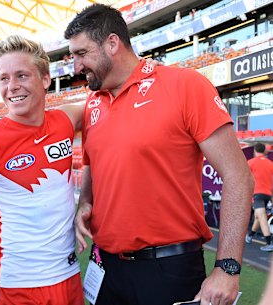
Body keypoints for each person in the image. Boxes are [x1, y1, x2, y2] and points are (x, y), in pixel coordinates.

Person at [64, 4, 254, 305]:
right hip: (105, 267)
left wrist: (228, 268)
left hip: (168, 270)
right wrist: (85, 202)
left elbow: (238, 176)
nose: (76, 67)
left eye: (81, 54)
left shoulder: (185, 85)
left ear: (112, 43)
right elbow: (93, 163)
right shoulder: (93, 103)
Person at [0, 35, 85, 305]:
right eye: (4, 78)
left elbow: (109, 106)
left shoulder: (67, 119)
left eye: (22, 75)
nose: (12, 86)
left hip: (69, 276)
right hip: (20, 286)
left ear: (46, 79)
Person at [246, 142, 273, 251]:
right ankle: (250, 236)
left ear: (255, 150)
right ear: (264, 151)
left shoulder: (250, 162)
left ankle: (269, 242)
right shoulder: (270, 164)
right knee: (258, 216)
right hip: (267, 194)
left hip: (257, 193)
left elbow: (245, 179)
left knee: (261, 217)